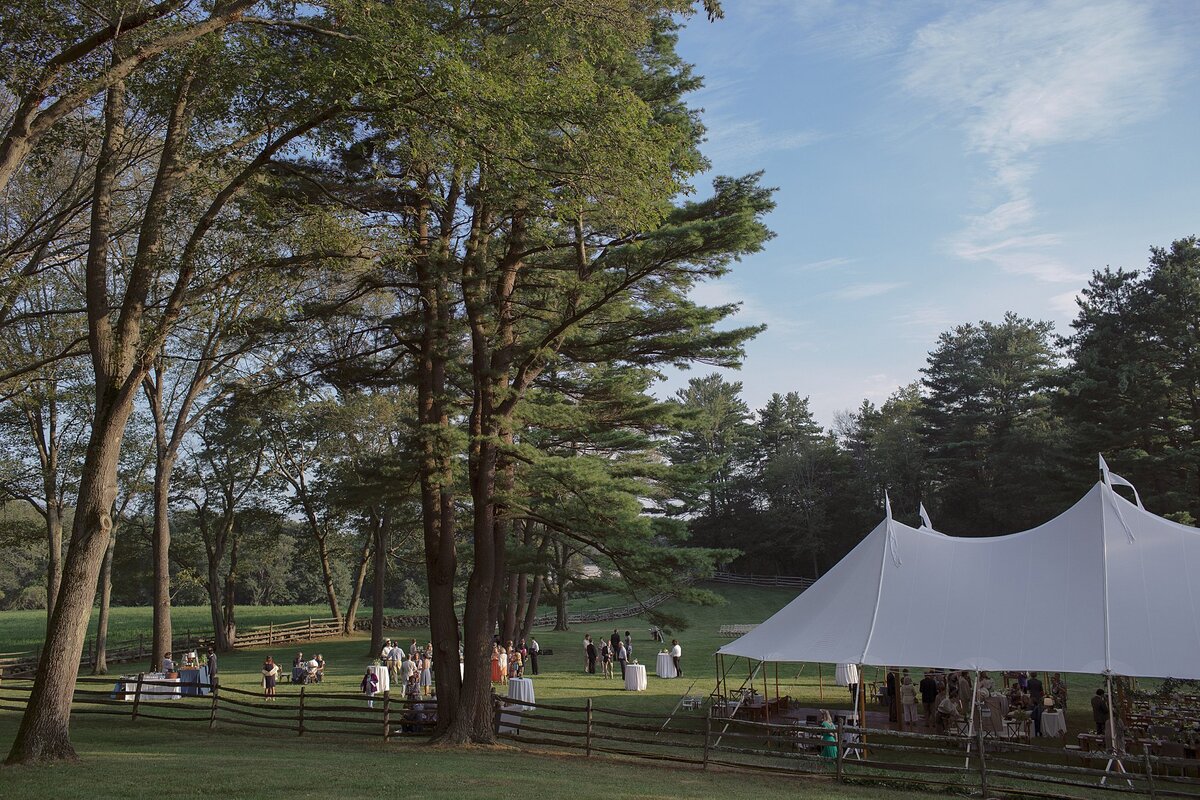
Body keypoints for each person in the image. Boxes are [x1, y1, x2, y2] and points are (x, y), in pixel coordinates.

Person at [1027, 672, 1045, 736]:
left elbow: (1028, 690)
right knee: (1039, 714)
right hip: (1038, 698)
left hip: (1032, 698)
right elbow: (1041, 691)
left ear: (1031, 675)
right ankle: (1038, 730)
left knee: (1032, 714)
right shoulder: (1039, 682)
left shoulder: (1029, 681)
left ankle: (1033, 730)